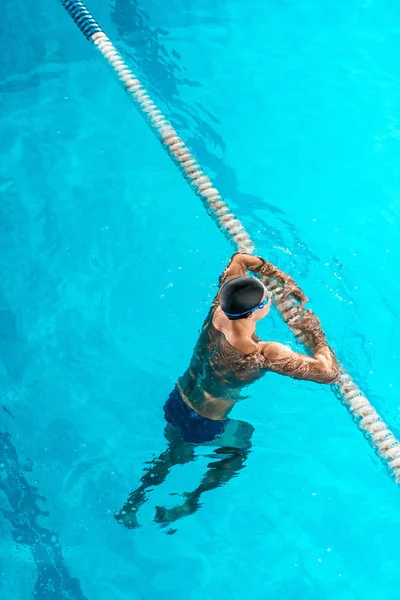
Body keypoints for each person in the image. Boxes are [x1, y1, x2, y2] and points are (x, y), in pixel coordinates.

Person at [115, 253, 339, 530]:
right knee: (240, 445)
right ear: (256, 311)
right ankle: (191, 500)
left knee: (173, 453)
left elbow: (239, 260)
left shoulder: (218, 310)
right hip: (205, 423)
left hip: (178, 400)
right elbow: (328, 373)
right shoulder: (262, 352)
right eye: (267, 297)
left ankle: (133, 502)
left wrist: (279, 276)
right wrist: (315, 333)